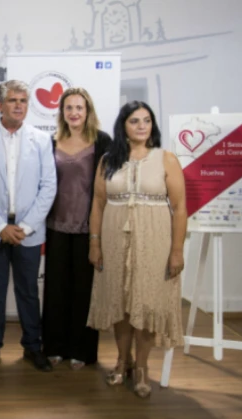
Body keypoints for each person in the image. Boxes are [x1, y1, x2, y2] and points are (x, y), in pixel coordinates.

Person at [87, 101, 186, 398]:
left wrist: (177, 251)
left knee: (147, 304)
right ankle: (122, 361)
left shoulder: (166, 159)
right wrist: (94, 243)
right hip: (114, 240)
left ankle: (141, 367)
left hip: (155, 241)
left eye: (147, 120)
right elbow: (98, 204)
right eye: (134, 121)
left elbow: (180, 208)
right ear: (123, 126)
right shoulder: (108, 160)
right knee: (120, 304)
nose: (142, 126)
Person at [0, 80, 57, 372]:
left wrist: (25, 227)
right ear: (0, 105)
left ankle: (33, 346)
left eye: (23, 101)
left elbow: (48, 187)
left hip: (28, 231)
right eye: (13, 100)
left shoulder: (41, 140)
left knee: (28, 292)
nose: (19, 105)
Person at [42, 87, 111, 370]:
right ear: (62, 112)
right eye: (68, 108)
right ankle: (54, 347)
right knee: (56, 289)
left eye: (79, 108)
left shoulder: (102, 142)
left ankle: (81, 350)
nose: (74, 113)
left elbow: (107, 189)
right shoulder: (50, 142)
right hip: (56, 227)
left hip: (88, 229)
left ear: (88, 111)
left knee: (84, 291)